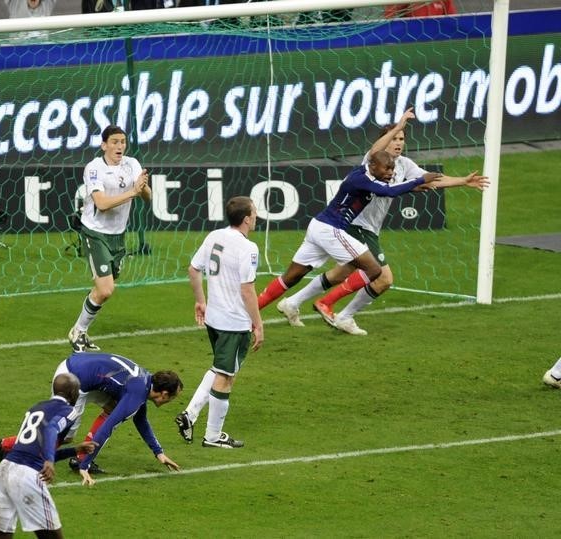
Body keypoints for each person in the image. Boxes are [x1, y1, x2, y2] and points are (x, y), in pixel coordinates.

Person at [275, 108, 488, 335]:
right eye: (394, 138)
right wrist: (399, 125)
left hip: (370, 229)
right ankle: (342, 314)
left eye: (402, 139)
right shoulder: (372, 160)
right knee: (384, 277)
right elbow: (377, 152)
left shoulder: (404, 165)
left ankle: (293, 302)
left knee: (342, 272)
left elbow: (432, 180)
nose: (398, 143)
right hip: (356, 225)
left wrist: (463, 181)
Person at [256, 151, 441, 324]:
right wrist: (419, 180)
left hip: (318, 226)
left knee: (292, 277)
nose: (391, 173)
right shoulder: (360, 178)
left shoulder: (368, 176)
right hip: (331, 229)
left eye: (392, 169)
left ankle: (251, 314)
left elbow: (385, 189)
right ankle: (329, 304)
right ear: (373, 165)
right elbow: (389, 191)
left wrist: (411, 188)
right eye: (387, 168)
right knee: (373, 269)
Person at [0, 351, 182, 485]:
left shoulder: (144, 382)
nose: (171, 401)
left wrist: (159, 453)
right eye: (173, 397)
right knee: (63, 436)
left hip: (81, 371)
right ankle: (6, 445)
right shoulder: (137, 393)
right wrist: (86, 466)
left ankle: (79, 458)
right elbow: (108, 427)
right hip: (72, 381)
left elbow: (140, 419)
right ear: (164, 394)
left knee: (111, 407)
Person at [174, 196, 263, 449]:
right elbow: (247, 290)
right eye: (254, 213)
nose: (256, 217)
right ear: (246, 218)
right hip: (234, 323)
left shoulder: (215, 235)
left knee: (219, 367)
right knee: (226, 377)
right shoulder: (248, 248)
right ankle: (213, 437)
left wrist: (201, 301)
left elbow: (193, 269)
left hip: (214, 319)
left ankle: (190, 415)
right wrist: (258, 324)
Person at [67, 125, 152, 353]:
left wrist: (142, 187)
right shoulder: (94, 169)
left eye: (122, 141)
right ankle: (77, 332)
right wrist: (133, 192)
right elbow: (102, 204)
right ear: (104, 145)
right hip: (95, 232)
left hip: (118, 235)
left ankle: (83, 326)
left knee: (104, 287)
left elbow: (147, 197)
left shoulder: (131, 164)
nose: (119, 146)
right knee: (106, 289)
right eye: (114, 142)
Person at [0, 373, 98, 539]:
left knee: (1, 533)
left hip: (5, 469)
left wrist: (74, 450)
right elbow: (51, 428)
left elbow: (37, 450)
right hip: (27, 475)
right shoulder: (70, 412)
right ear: (73, 393)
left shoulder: (36, 407)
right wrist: (49, 460)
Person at [384, 1, 456, 18]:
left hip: (437, 37)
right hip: (409, 39)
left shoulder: (445, 1)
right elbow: (388, 20)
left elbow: (452, 20)